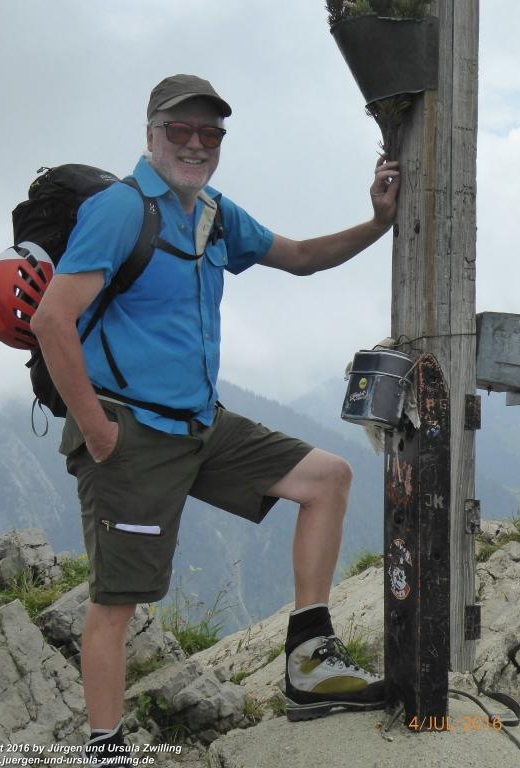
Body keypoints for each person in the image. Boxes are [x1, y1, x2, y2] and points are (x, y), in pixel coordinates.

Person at [31, 74, 400, 762]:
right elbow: (54, 319)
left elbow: (298, 257)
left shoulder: (213, 214)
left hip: (202, 424)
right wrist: (100, 429)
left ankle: (311, 666)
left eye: (210, 133)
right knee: (117, 600)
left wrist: (378, 223)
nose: (195, 144)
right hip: (131, 432)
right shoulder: (120, 210)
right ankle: (104, 747)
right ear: (151, 134)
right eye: (180, 129)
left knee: (327, 478)